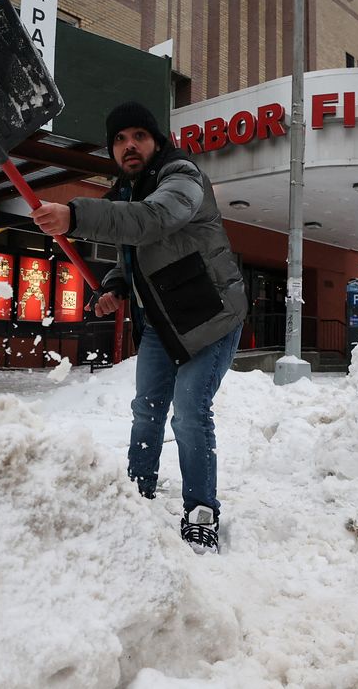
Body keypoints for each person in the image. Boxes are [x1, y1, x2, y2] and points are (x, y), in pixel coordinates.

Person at [30, 101, 246, 554]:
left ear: (157, 141)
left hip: (211, 318)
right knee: (146, 408)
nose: (129, 146)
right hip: (164, 324)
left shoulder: (182, 177)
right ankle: (137, 489)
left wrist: (74, 215)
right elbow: (132, 255)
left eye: (139, 137)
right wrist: (115, 286)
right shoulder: (126, 191)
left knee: (188, 412)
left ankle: (201, 508)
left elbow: (152, 223)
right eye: (120, 140)